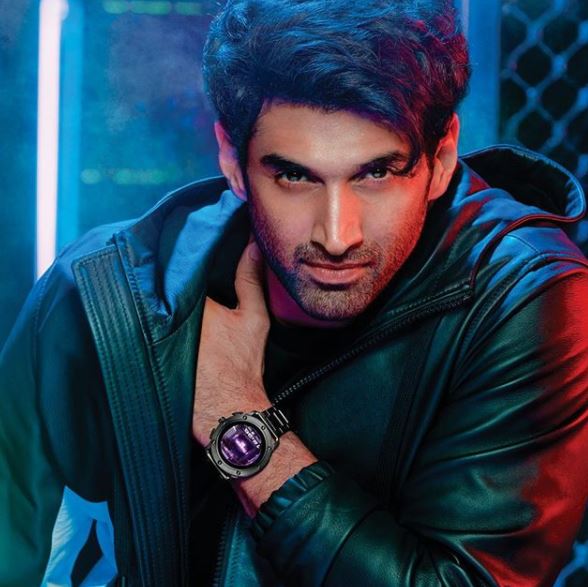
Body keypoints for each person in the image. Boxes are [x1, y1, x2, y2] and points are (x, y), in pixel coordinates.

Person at [2, 0, 588, 585]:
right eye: (295, 175)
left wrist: (235, 418)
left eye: (376, 173)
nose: (337, 236)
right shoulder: (103, 301)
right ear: (233, 161)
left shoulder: (524, 300)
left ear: (441, 159)